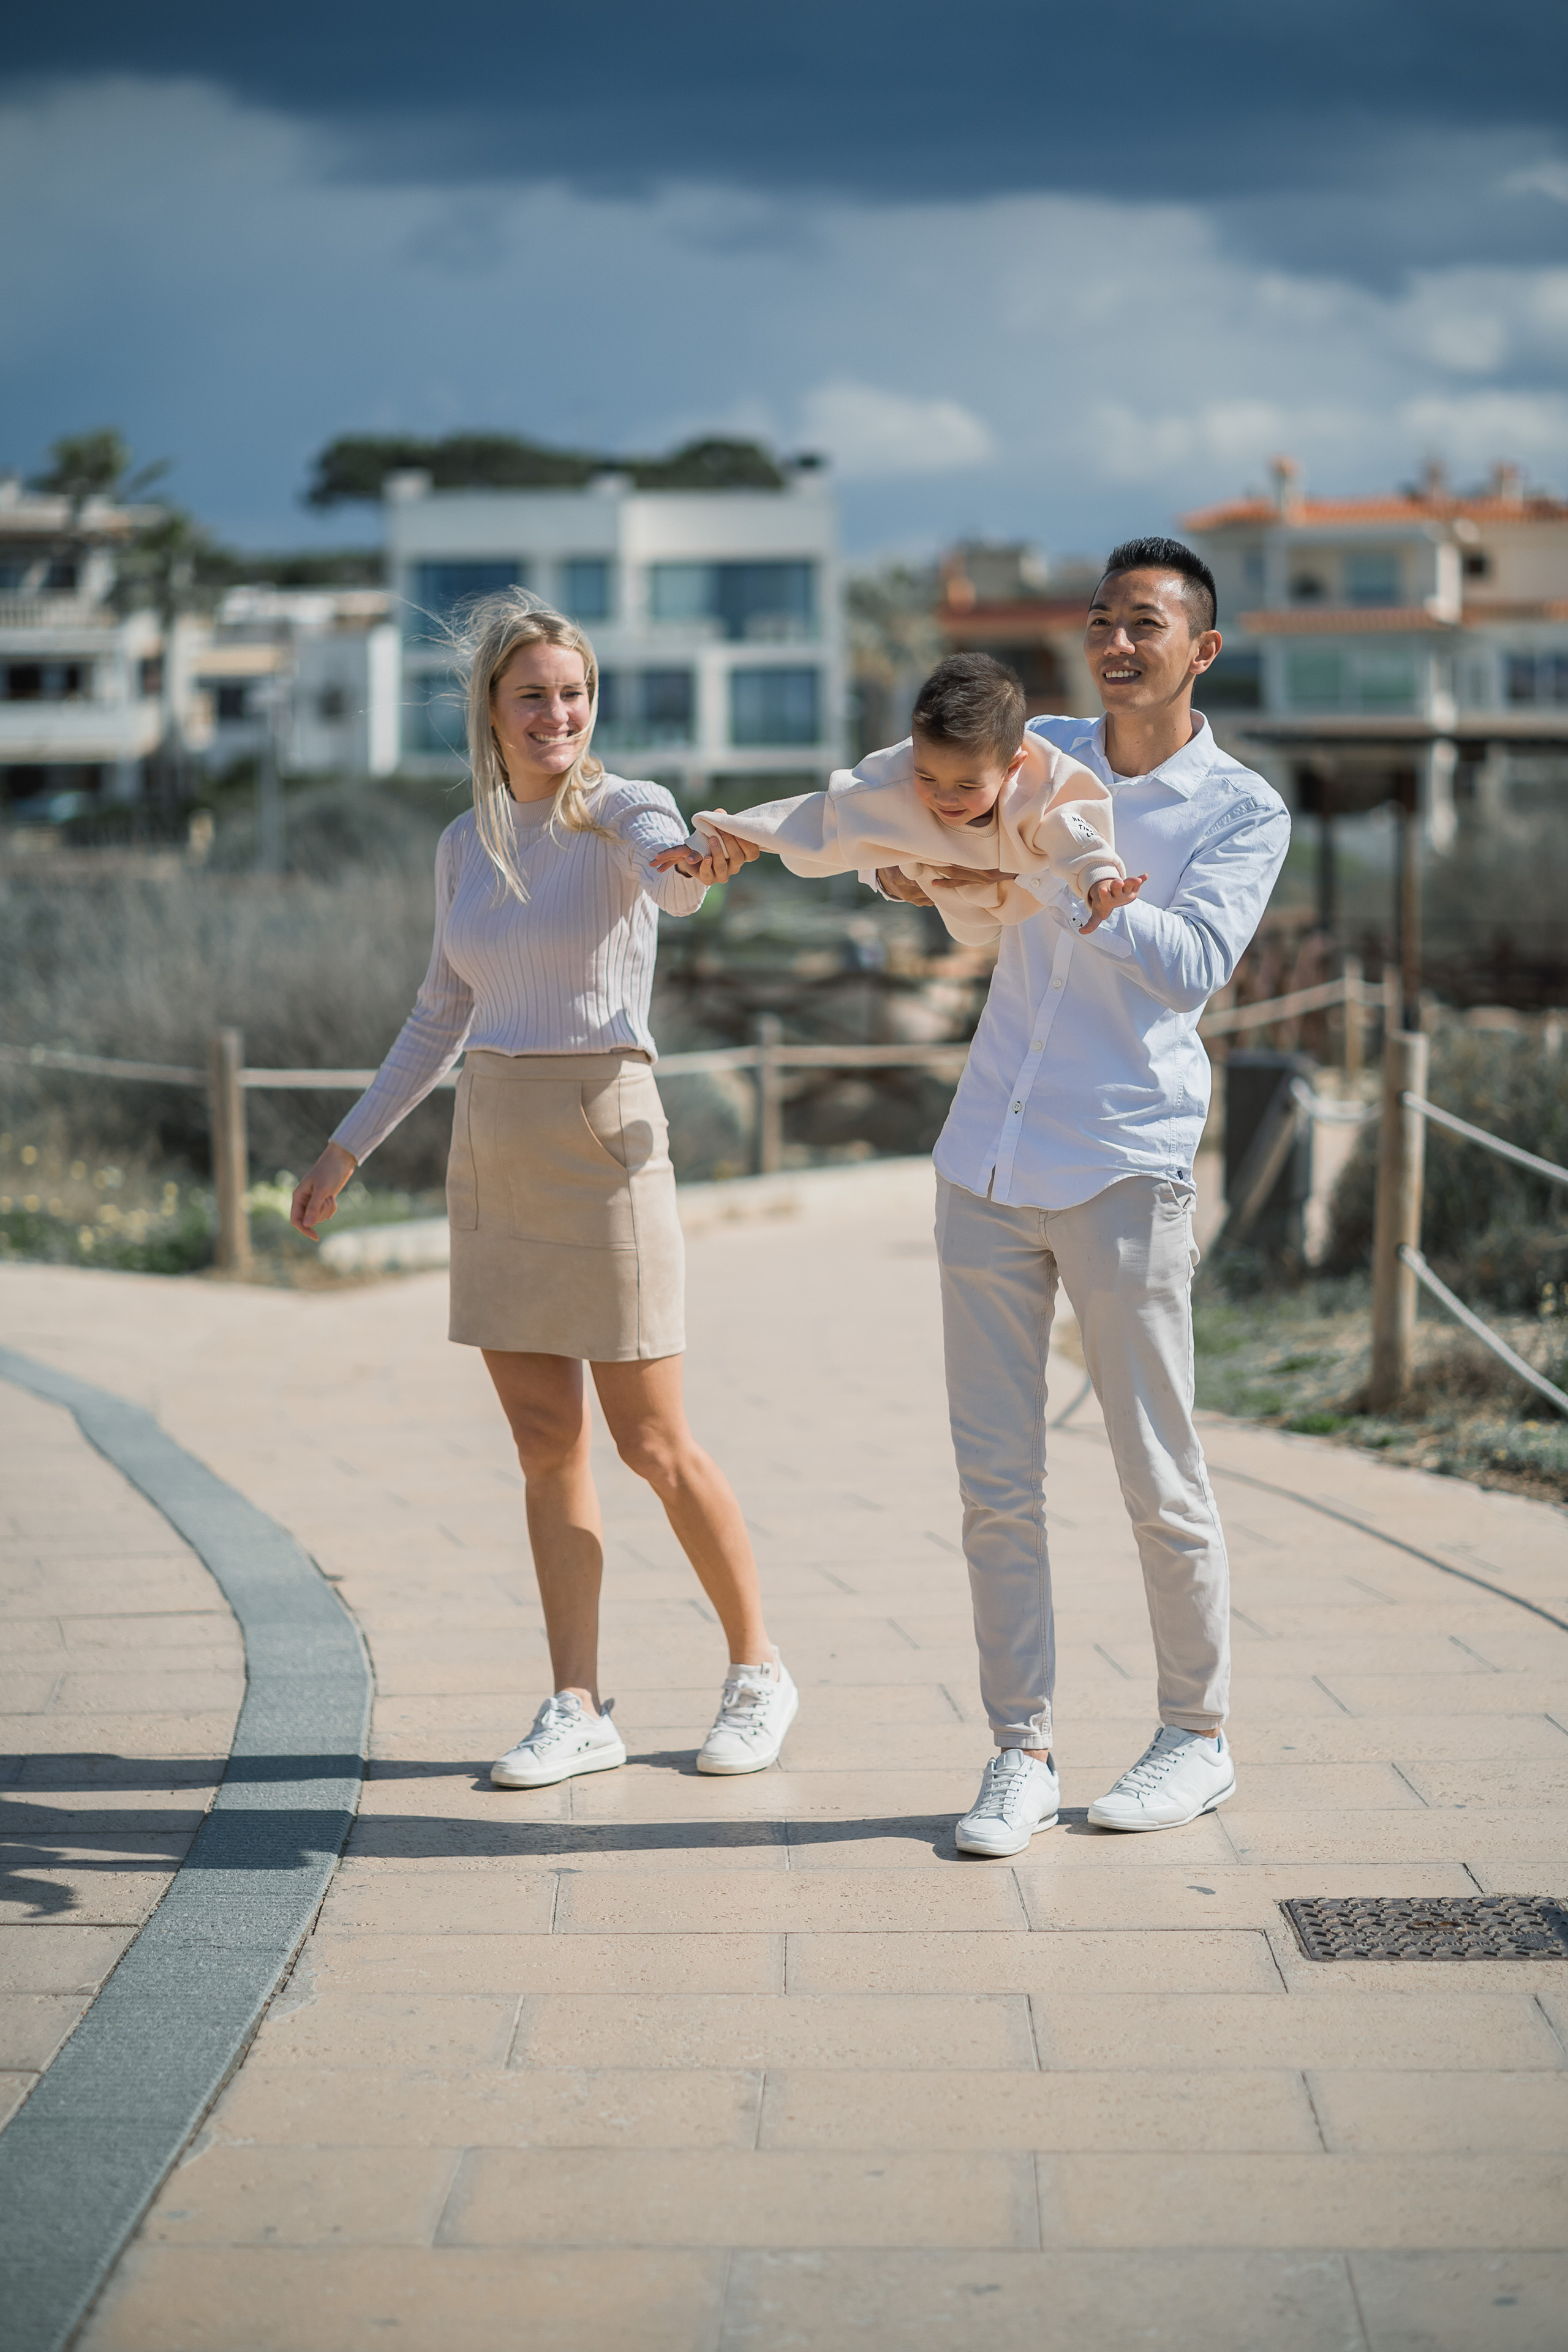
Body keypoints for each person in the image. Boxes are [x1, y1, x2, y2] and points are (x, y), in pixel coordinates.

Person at [288, 593, 798, 1789]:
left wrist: (692, 863)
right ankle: (578, 1705)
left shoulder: (624, 808)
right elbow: (438, 1013)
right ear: (492, 709)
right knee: (540, 1443)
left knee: (654, 1443)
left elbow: (673, 882)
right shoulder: (463, 844)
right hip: (494, 1137)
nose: (556, 715)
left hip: (603, 1133)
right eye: (533, 696)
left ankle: (757, 1672)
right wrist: (346, 1148)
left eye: (573, 694)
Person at [876, 538, 1290, 1856]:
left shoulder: (1239, 810)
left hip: (1123, 1163)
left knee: (1155, 1474)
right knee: (993, 1486)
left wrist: (1067, 877)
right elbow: (948, 864)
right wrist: (919, 869)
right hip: (984, 1160)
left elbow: (1189, 967)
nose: (1117, 642)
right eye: (1104, 619)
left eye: (1146, 625)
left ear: (1200, 651)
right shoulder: (1036, 748)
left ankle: (1196, 1738)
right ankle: (1020, 1751)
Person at [650, 653, 1145, 943]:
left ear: (1012, 765)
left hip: (1021, 885)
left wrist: (1100, 878)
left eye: (968, 786)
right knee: (839, 835)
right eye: (928, 777)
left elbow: (1080, 833)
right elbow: (811, 817)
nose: (945, 797)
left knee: (1050, 856)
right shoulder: (896, 781)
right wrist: (712, 836)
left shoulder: (1046, 783)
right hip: (939, 881)